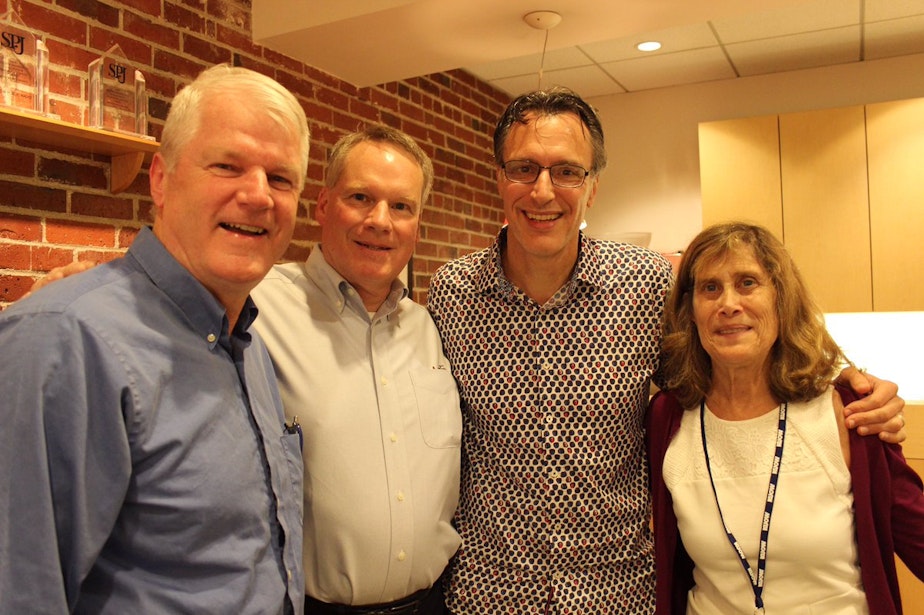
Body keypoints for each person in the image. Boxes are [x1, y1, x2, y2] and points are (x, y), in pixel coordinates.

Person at [426, 88, 906, 613]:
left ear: (593, 187)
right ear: (500, 177)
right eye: (524, 168)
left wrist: (849, 383)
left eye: (567, 171)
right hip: (490, 591)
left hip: (618, 592)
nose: (543, 191)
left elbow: (731, 359)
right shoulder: (452, 293)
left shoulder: (647, 284)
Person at [0, 64, 309, 613]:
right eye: (227, 165)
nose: (259, 195)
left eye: (281, 178)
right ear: (161, 180)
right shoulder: (66, 339)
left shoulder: (248, 345)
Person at [646, 222, 924, 614]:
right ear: (691, 311)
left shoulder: (849, 413)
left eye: (747, 283)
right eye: (710, 288)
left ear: (781, 299)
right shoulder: (669, 418)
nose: (728, 304)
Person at [250, 125, 461, 614]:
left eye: (402, 206)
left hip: (435, 604)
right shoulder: (256, 306)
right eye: (361, 197)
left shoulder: (428, 328)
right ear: (323, 205)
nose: (380, 221)